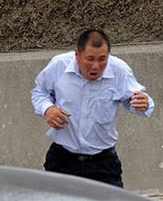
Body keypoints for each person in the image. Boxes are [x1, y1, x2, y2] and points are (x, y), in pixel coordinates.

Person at [30, 28, 154, 188]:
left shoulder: (119, 70)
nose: (96, 66)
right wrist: (48, 109)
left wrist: (144, 104)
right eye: (90, 59)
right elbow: (39, 92)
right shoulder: (58, 66)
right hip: (63, 160)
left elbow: (135, 100)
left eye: (102, 59)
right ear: (77, 54)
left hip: (103, 163)